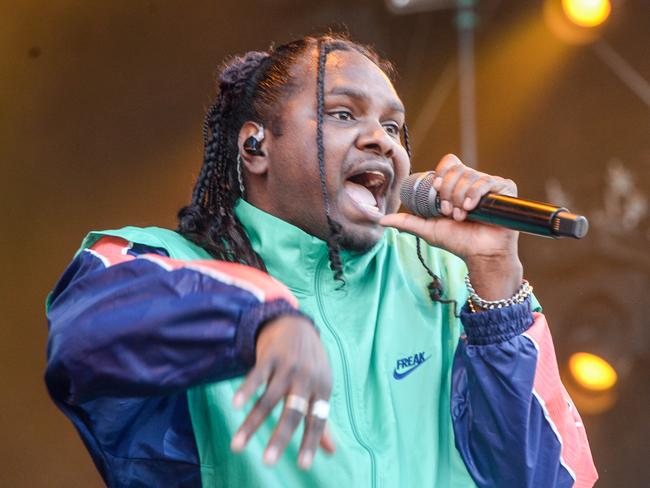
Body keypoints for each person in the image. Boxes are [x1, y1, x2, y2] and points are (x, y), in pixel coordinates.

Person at [45, 34, 598, 487]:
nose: (383, 142)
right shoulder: (170, 263)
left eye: (392, 127)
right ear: (255, 146)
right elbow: (80, 337)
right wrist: (260, 320)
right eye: (341, 114)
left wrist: (499, 283)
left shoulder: (451, 278)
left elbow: (551, 477)